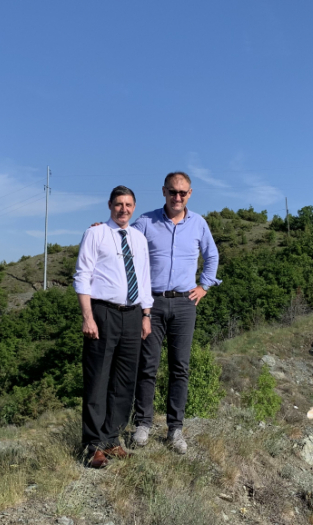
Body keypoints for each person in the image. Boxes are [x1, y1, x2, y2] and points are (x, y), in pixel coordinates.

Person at [130, 171, 220, 454]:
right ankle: (143, 424)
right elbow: (124, 242)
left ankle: (175, 429)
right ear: (164, 191)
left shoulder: (199, 223)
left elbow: (212, 255)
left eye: (182, 192)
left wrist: (204, 286)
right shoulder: (146, 222)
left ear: (189, 194)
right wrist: (102, 230)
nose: (177, 197)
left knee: (180, 367)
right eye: (172, 192)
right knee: (148, 365)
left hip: (184, 304)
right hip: (152, 304)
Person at [73, 185, 153, 468]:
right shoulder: (95, 234)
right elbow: (82, 275)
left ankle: (111, 438)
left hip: (133, 315)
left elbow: (144, 278)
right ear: (110, 205)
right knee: (98, 379)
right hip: (103, 312)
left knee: (124, 381)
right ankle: (93, 445)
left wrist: (146, 314)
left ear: (134, 207)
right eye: (119, 204)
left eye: (128, 205)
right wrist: (87, 317)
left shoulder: (139, 239)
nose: (123, 209)